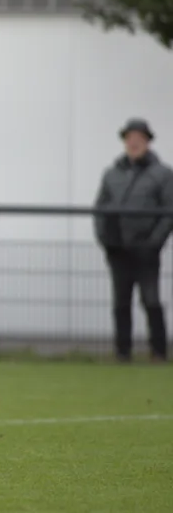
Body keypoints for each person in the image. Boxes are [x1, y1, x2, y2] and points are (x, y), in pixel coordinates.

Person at [93, 118, 173, 363]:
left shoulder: (162, 175)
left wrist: (154, 243)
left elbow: (168, 212)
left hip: (146, 250)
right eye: (130, 138)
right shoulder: (111, 174)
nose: (134, 143)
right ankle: (122, 352)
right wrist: (106, 241)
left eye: (139, 138)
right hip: (118, 250)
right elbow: (100, 209)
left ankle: (158, 351)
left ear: (148, 141)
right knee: (120, 302)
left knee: (150, 300)